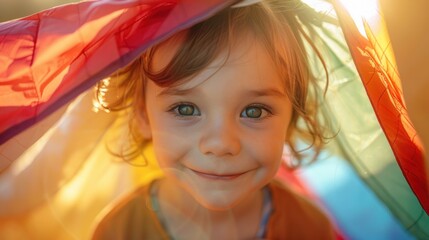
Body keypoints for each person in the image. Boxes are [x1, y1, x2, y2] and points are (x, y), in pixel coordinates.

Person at [91, 0, 336, 239]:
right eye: (186, 109)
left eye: (254, 111)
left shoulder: (309, 228)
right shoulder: (118, 232)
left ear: (292, 116)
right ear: (143, 114)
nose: (221, 144)